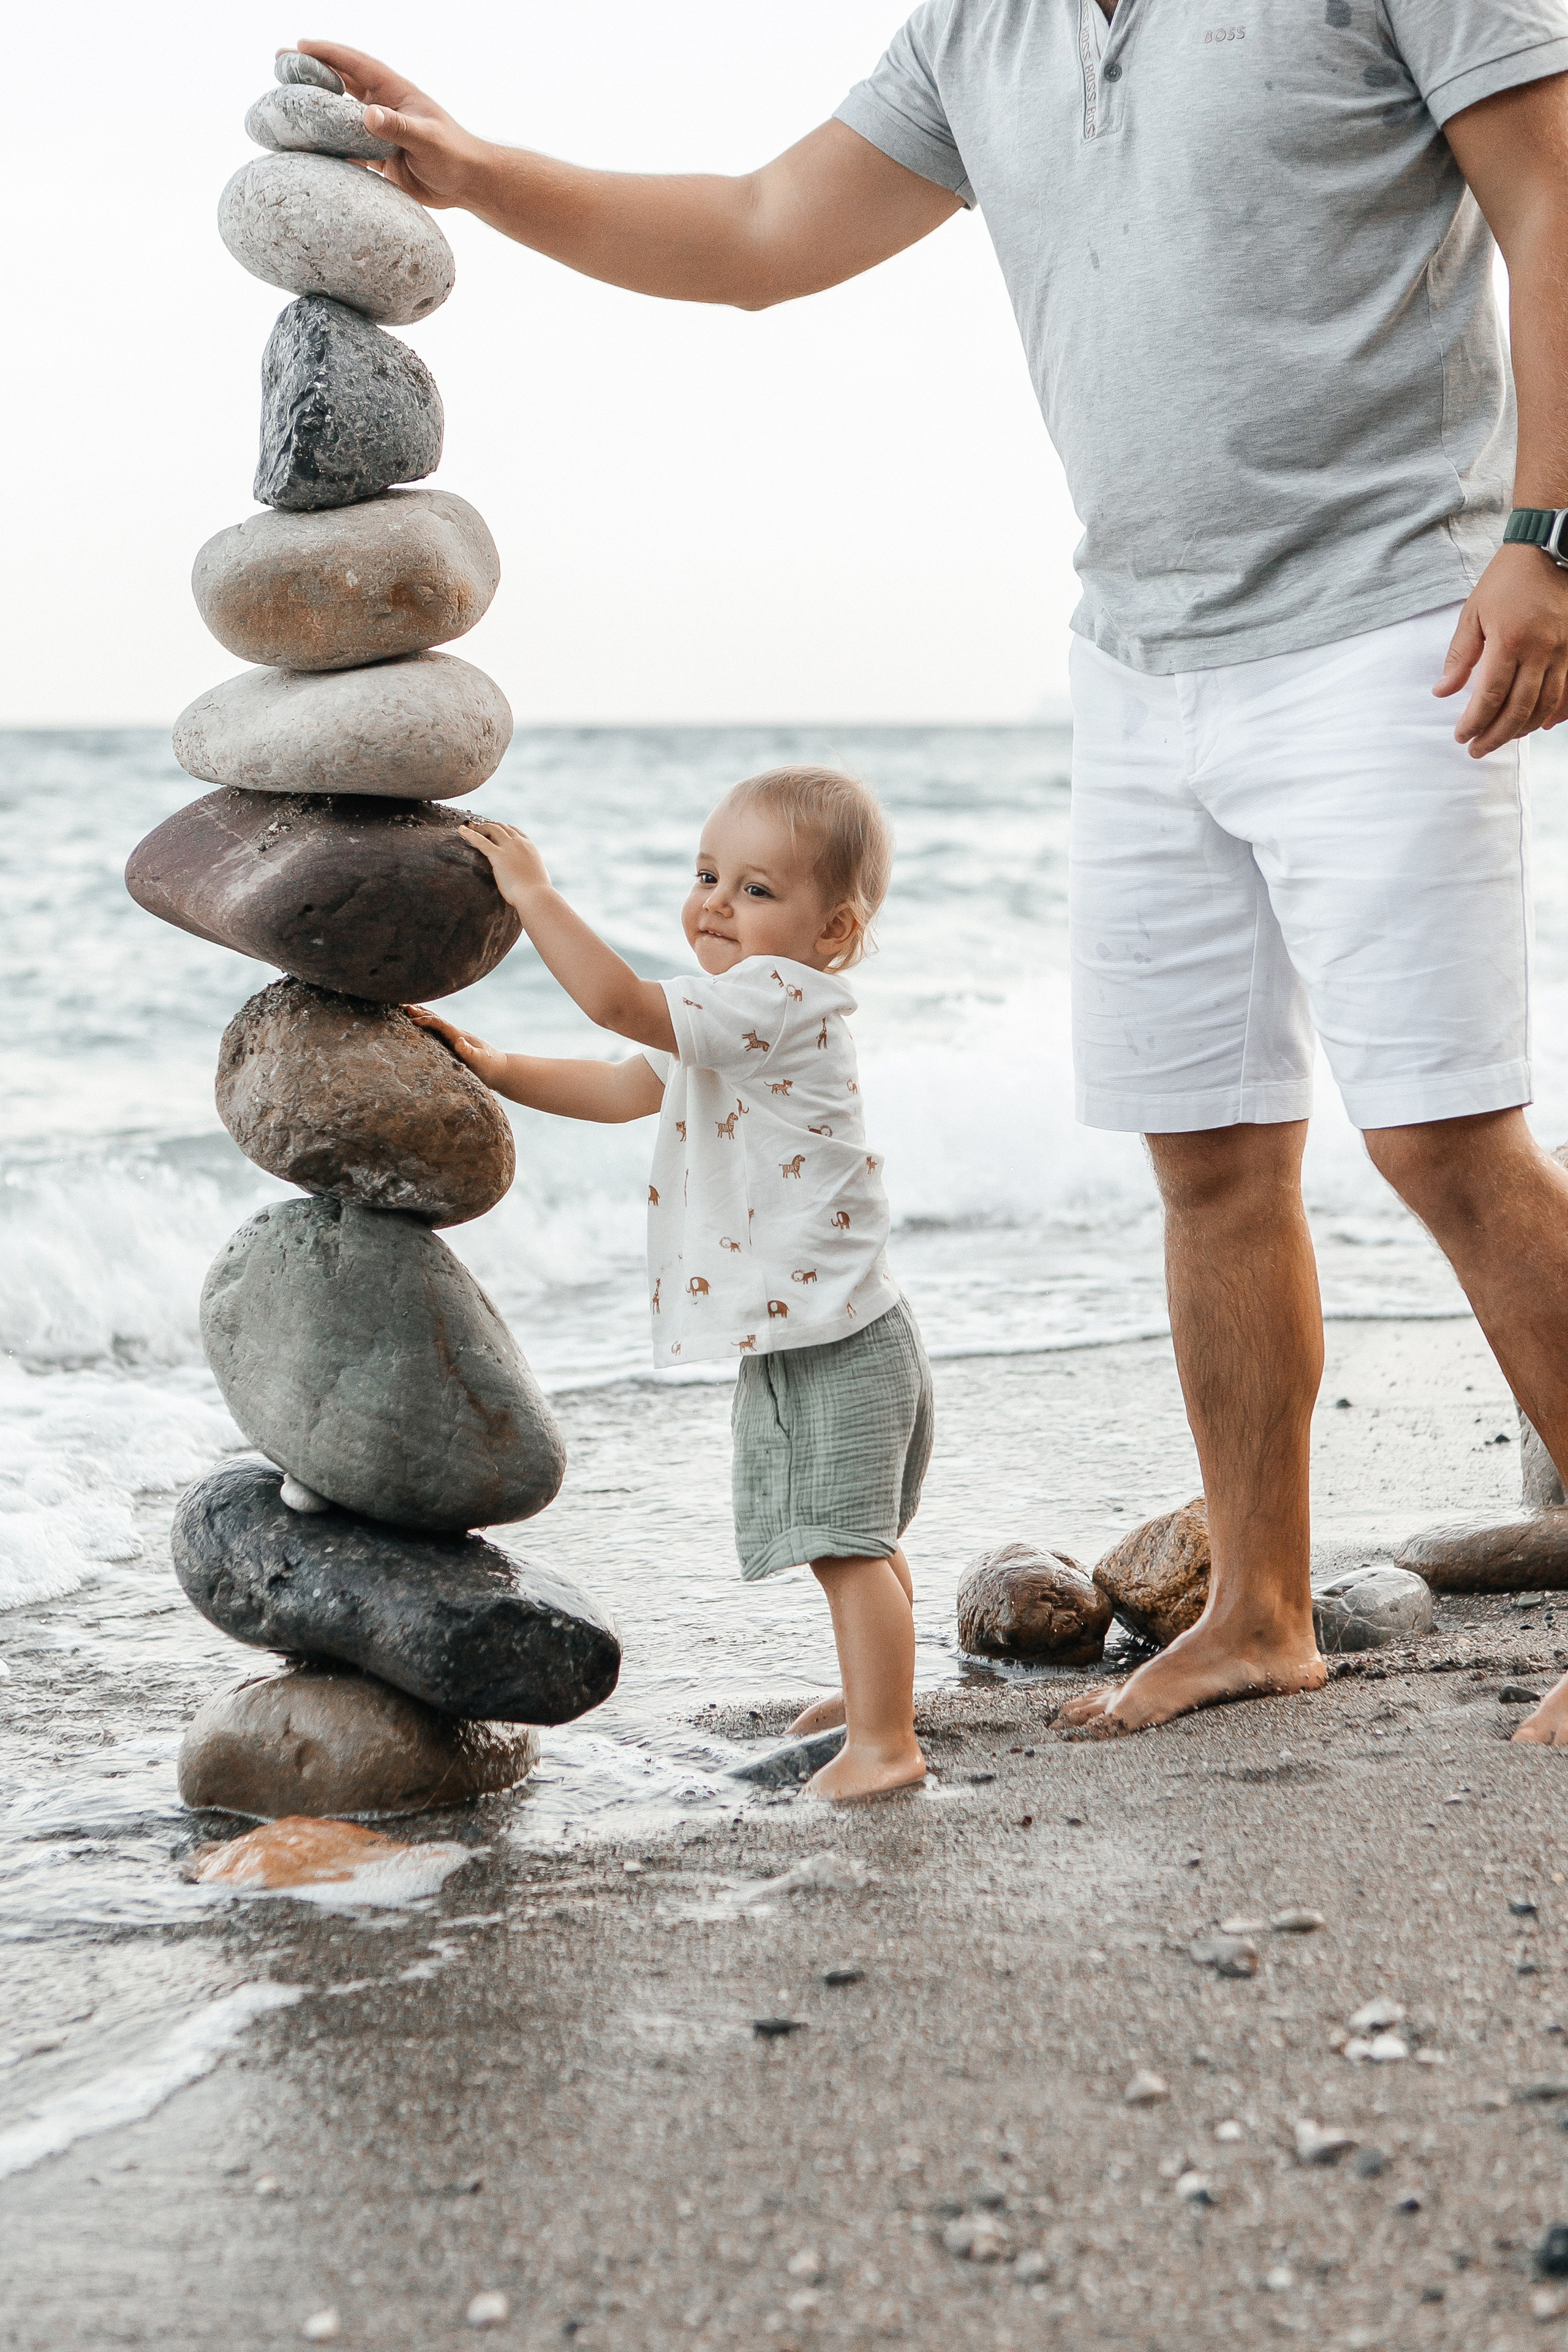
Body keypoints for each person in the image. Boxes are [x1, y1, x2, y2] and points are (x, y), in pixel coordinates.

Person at [300, 7, 1568, 1743]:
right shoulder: (983, 29)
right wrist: (473, 171)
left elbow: (1549, 192)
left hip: (1388, 627)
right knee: (1207, 1157)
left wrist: (1544, 535)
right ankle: (1265, 1609)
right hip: (1135, 659)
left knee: (1446, 1140)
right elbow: (759, 234)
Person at [410, 769, 933, 1800]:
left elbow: (614, 1003)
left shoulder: (776, 999)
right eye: (707, 876)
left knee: (845, 1547)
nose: (714, 906)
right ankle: (881, 1698)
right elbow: (617, 1088)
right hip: (842, 1328)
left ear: (834, 931)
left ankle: (886, 1745)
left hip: (831, 1340)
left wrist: (533, 895)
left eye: (755, 890)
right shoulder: (732, 1023)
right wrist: (495, 1064)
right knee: (858, 1535)